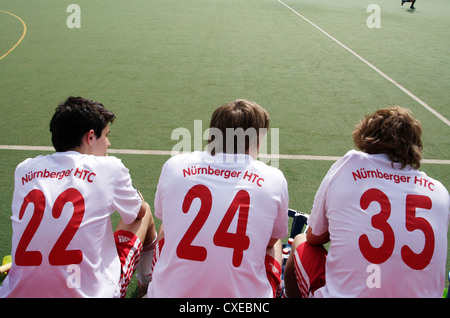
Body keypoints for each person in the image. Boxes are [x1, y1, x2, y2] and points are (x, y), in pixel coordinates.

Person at [284, 106, 449, 298]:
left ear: (367, 135)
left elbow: (315, 237)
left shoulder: (350, 164)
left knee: (301, 241)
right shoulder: (439, 191)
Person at [0, 96, 157, 298]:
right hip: (91, 293)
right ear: (90, 137)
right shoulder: (109, 168)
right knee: (143, 214)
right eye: (106, 135)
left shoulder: (24, 169)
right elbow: (137, 212)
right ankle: (147, 285)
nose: (108, 143)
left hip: (15, 294)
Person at [145, 99, 289, 297]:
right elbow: (270, 241)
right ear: (257, 138)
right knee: (277, 244)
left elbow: (164, 216)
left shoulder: (175, 165)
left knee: (167, 227)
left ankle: (148, 283)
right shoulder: (273, 178)